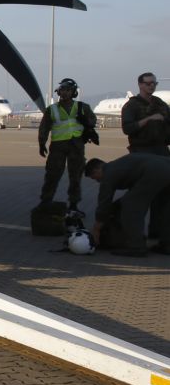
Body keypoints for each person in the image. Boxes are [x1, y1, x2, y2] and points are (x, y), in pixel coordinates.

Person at [84, 155, 170, 256]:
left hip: (155, 171)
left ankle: (136, 247)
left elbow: (104, 201)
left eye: (95, 178)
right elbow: (135, 191)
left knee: (130, 206)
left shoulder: (108, 173)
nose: (98, 181)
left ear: (97, 169)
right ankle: (167, 244)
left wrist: (97, 228)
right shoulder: (119, 166)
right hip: (165, 165)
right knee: (165, 206)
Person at [37, 78, 98, 213]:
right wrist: (42, 143)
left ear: (74, 92)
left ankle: (74, 205)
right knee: (52, 175)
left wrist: (86, 121)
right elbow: (44, 128)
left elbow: (93, 121)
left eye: (68, 90)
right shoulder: (52, 110)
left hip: (76, 146)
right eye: (62, 90)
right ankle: (46, 201)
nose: (65, 93)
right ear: (59, 92)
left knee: (75, 177)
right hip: (58, 147)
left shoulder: (82, 107)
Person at [121, 72, 169, 156]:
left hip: (162, 149)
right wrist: (148, 119)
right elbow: (127, 129)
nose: (152, 86)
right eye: (148, 83)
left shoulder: (161, 104)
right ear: (140, 85)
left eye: (154, 83)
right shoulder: (131, 105)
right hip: (142, 150)